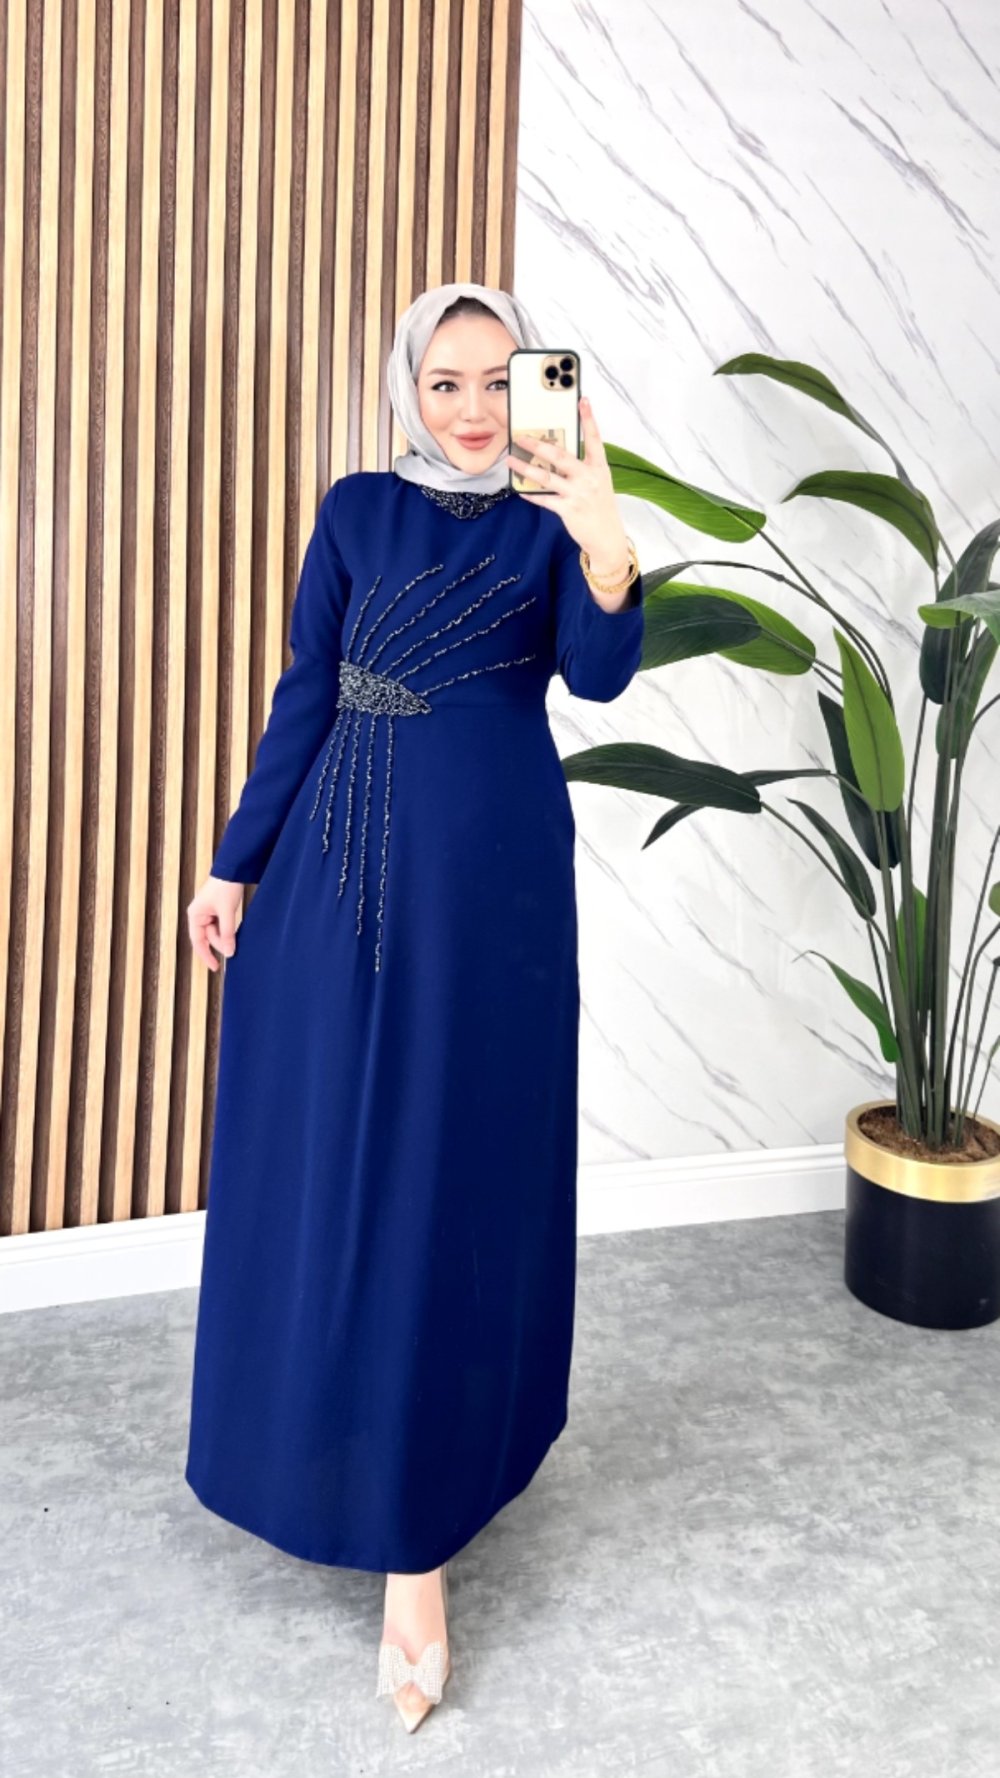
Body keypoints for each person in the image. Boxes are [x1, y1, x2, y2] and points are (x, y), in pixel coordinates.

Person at [184, 280, 645, 1732]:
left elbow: (596, 677)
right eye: (446, 382)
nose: (473, 409)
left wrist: (607, 537)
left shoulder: (550, 522)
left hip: (489, 897)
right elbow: (305, 691)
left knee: (453, 1181)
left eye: (500, 380)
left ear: (536, 387)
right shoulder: (354, 511)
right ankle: (323, 1446)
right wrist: (234, 860)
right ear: (408, 387)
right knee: (339, 1171)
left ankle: (419, 1545)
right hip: (334, 881)